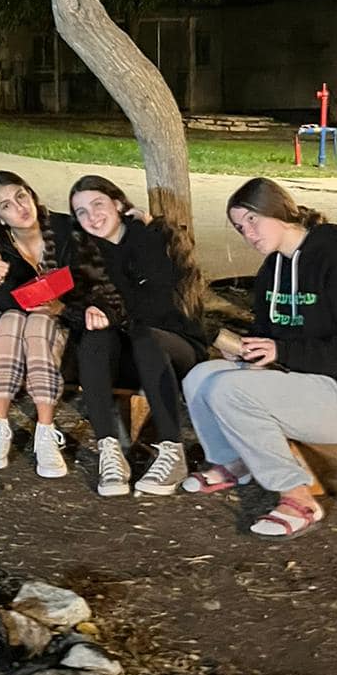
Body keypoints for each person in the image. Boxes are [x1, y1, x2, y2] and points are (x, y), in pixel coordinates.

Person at [181, 177, 337, 538]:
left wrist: (283, 351)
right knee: (200, 377)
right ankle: (233, 461)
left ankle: (298, 498)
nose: (247, 233)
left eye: (252, 220)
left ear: (279, 212)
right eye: (239, 227)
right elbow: (271, 335)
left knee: (228, 391)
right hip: (302, 385)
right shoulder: (271, 270)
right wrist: (250, 350)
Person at [68, 174, 208, 498]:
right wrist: (89, 312)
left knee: (145, 335)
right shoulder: (85, 257)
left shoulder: (150, 239)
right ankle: (110, 451)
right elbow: (73, 306)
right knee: (94, 338)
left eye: (98, 205)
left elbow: (155, 302)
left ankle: (172, 451)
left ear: (119, 204)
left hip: (175, 346)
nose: (92, 217)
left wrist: (145, 228)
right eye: (81, 212)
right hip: (130, 355)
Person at [0, 170, 123, 477]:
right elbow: (5, 305)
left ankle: (45, 431)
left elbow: (97, 287)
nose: (20, 207)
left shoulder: (66, 230)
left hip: (70, 330)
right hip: (16, 337)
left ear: (31, 194)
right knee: (13, 320)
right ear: (0, 217)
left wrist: (61, 308)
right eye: (6, 205)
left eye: (21, 196)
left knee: (38, 323)